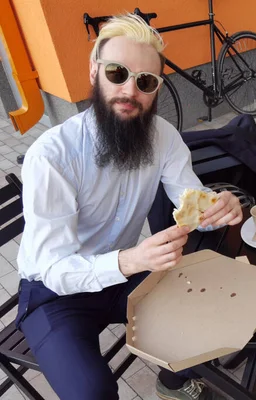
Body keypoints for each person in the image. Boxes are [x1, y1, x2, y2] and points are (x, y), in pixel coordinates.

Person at [15, 13, 241, 400]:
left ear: (156, 89)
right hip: (54, 292)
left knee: (201, 311)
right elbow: (52, 268)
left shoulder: (164, 138)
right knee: (92, 391)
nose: (129, 90)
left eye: (145, 81)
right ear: (93, 73)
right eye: (117, 73)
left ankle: (172, 384)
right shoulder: (52, 156)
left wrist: (220, 206)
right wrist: (129, 261)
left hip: (125, 274)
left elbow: (194, 203)